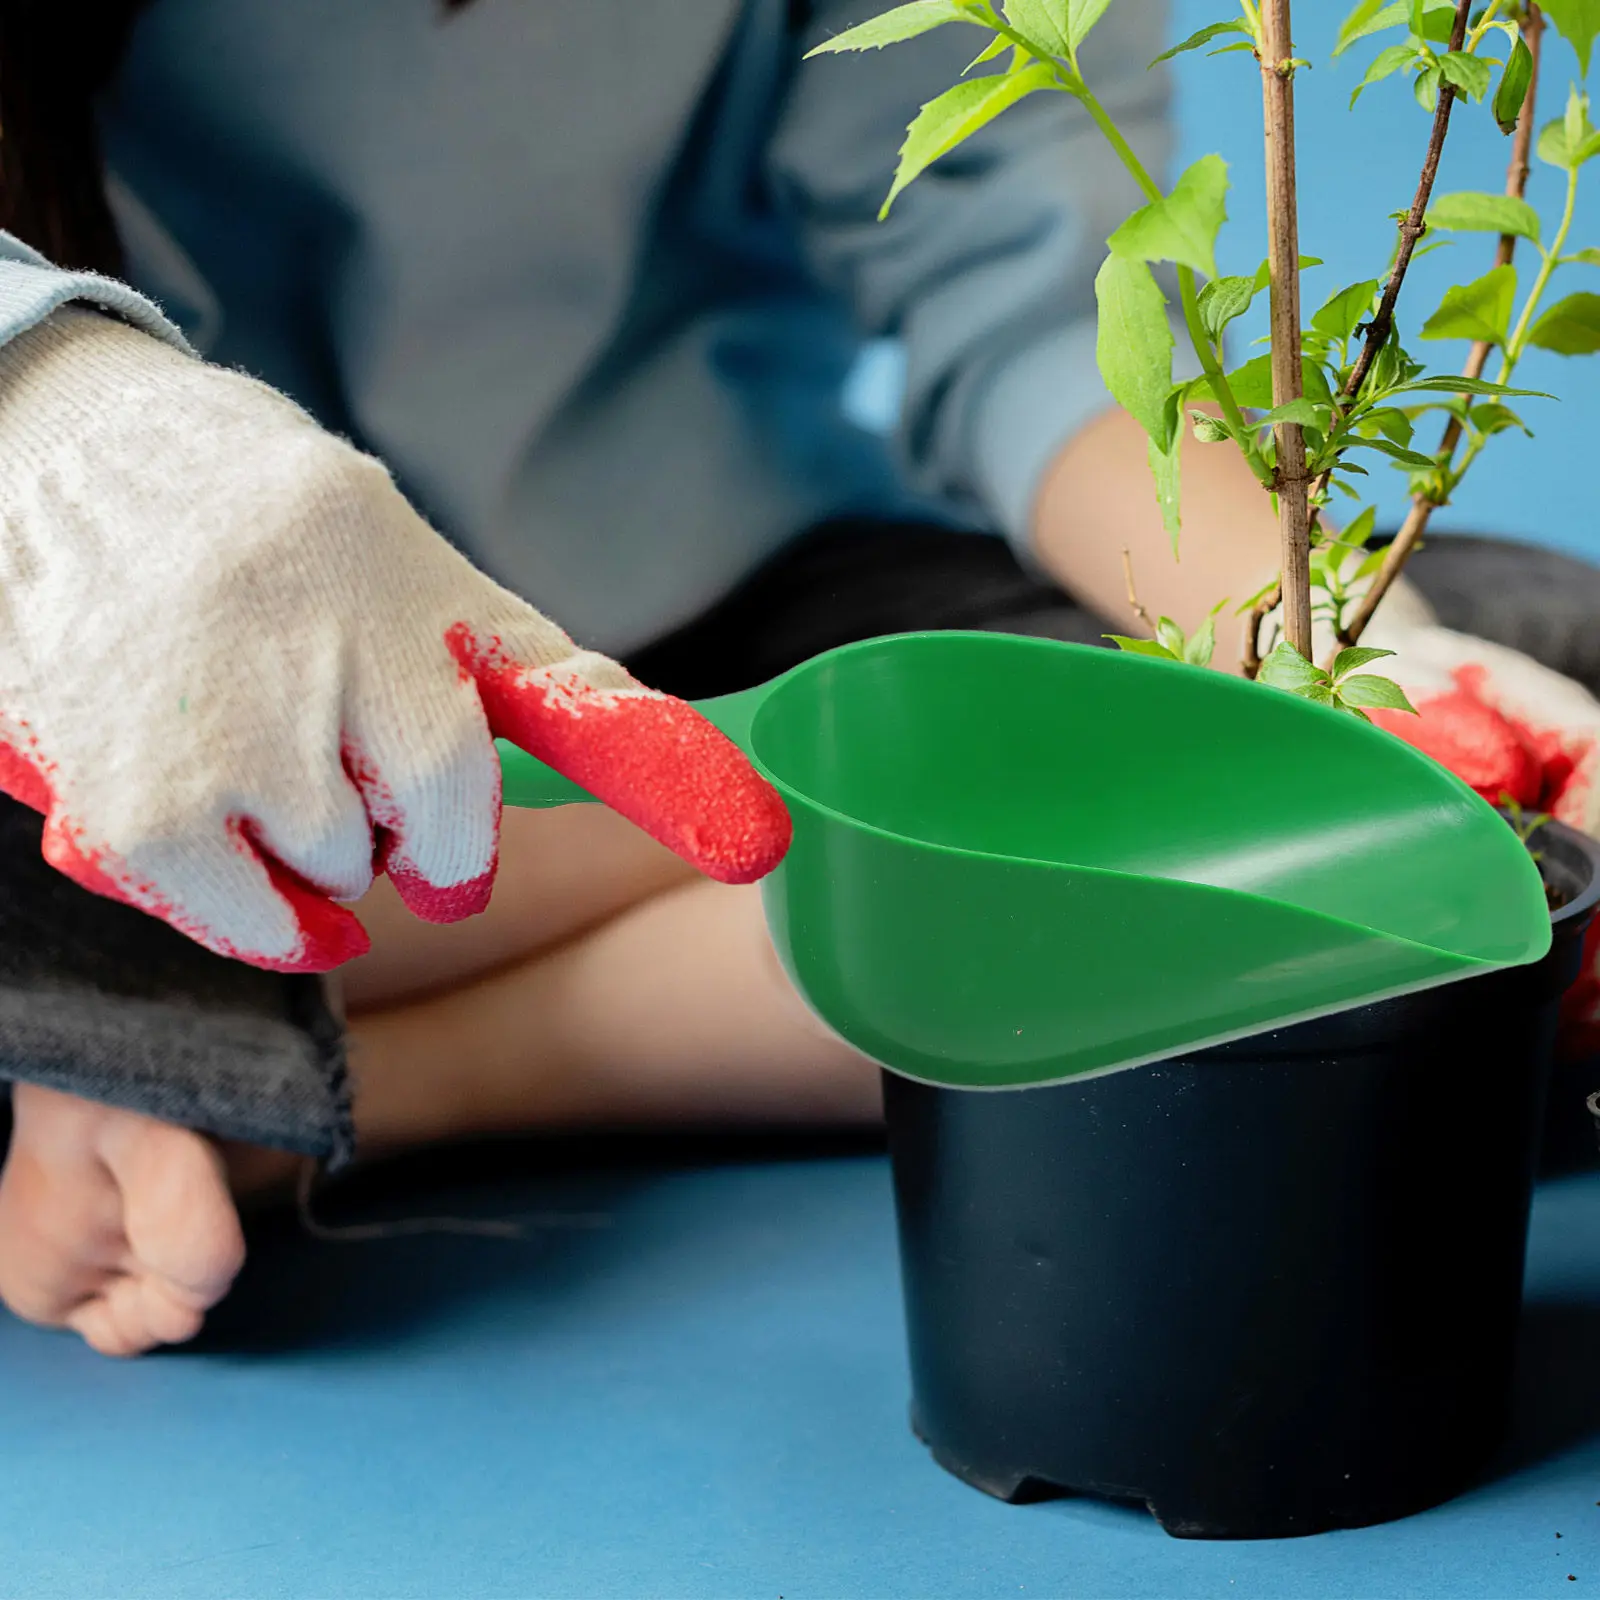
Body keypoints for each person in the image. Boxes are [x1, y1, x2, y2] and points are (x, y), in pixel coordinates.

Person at [0, 0, 1595, 1359]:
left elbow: (1034, 310)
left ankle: (298, 1091)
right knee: (107, 878)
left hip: (717, 606)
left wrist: (1325, 663)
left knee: (1541, 648)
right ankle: (955, 814)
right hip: (168, 703)